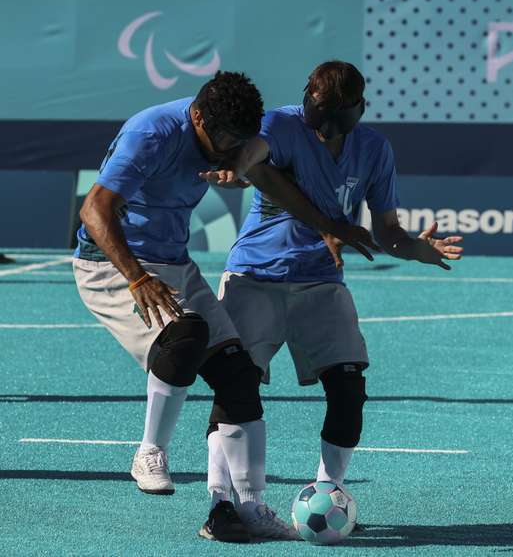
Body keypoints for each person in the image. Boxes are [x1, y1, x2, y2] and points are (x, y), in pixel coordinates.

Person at [73, 70, 376, 542]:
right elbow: (94, 210)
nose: (225, 149)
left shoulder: (230, 136)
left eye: (239, 140)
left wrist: (327, 224)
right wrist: (136, 278)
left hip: (174, 263)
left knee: (238, 374)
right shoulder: (150, 132)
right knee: (186, 336)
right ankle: (150, 451)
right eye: (222, 140)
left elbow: (275, 186)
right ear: (197, 116)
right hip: (112, 264)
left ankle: (251, 507)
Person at [204, 60, 464, 513]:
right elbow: (253, 154)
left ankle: (328, 494)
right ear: (308, 101)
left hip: (322, 282)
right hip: (255, 276)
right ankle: (221, 503)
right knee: (236, 386)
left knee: (348, 387)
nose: (323, 132)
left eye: (333, 123)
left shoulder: (374, 149)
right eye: (317, 119)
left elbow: (387, 232)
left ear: (358, 110)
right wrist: (234, 166)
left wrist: (415, 249)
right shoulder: (281, 124)